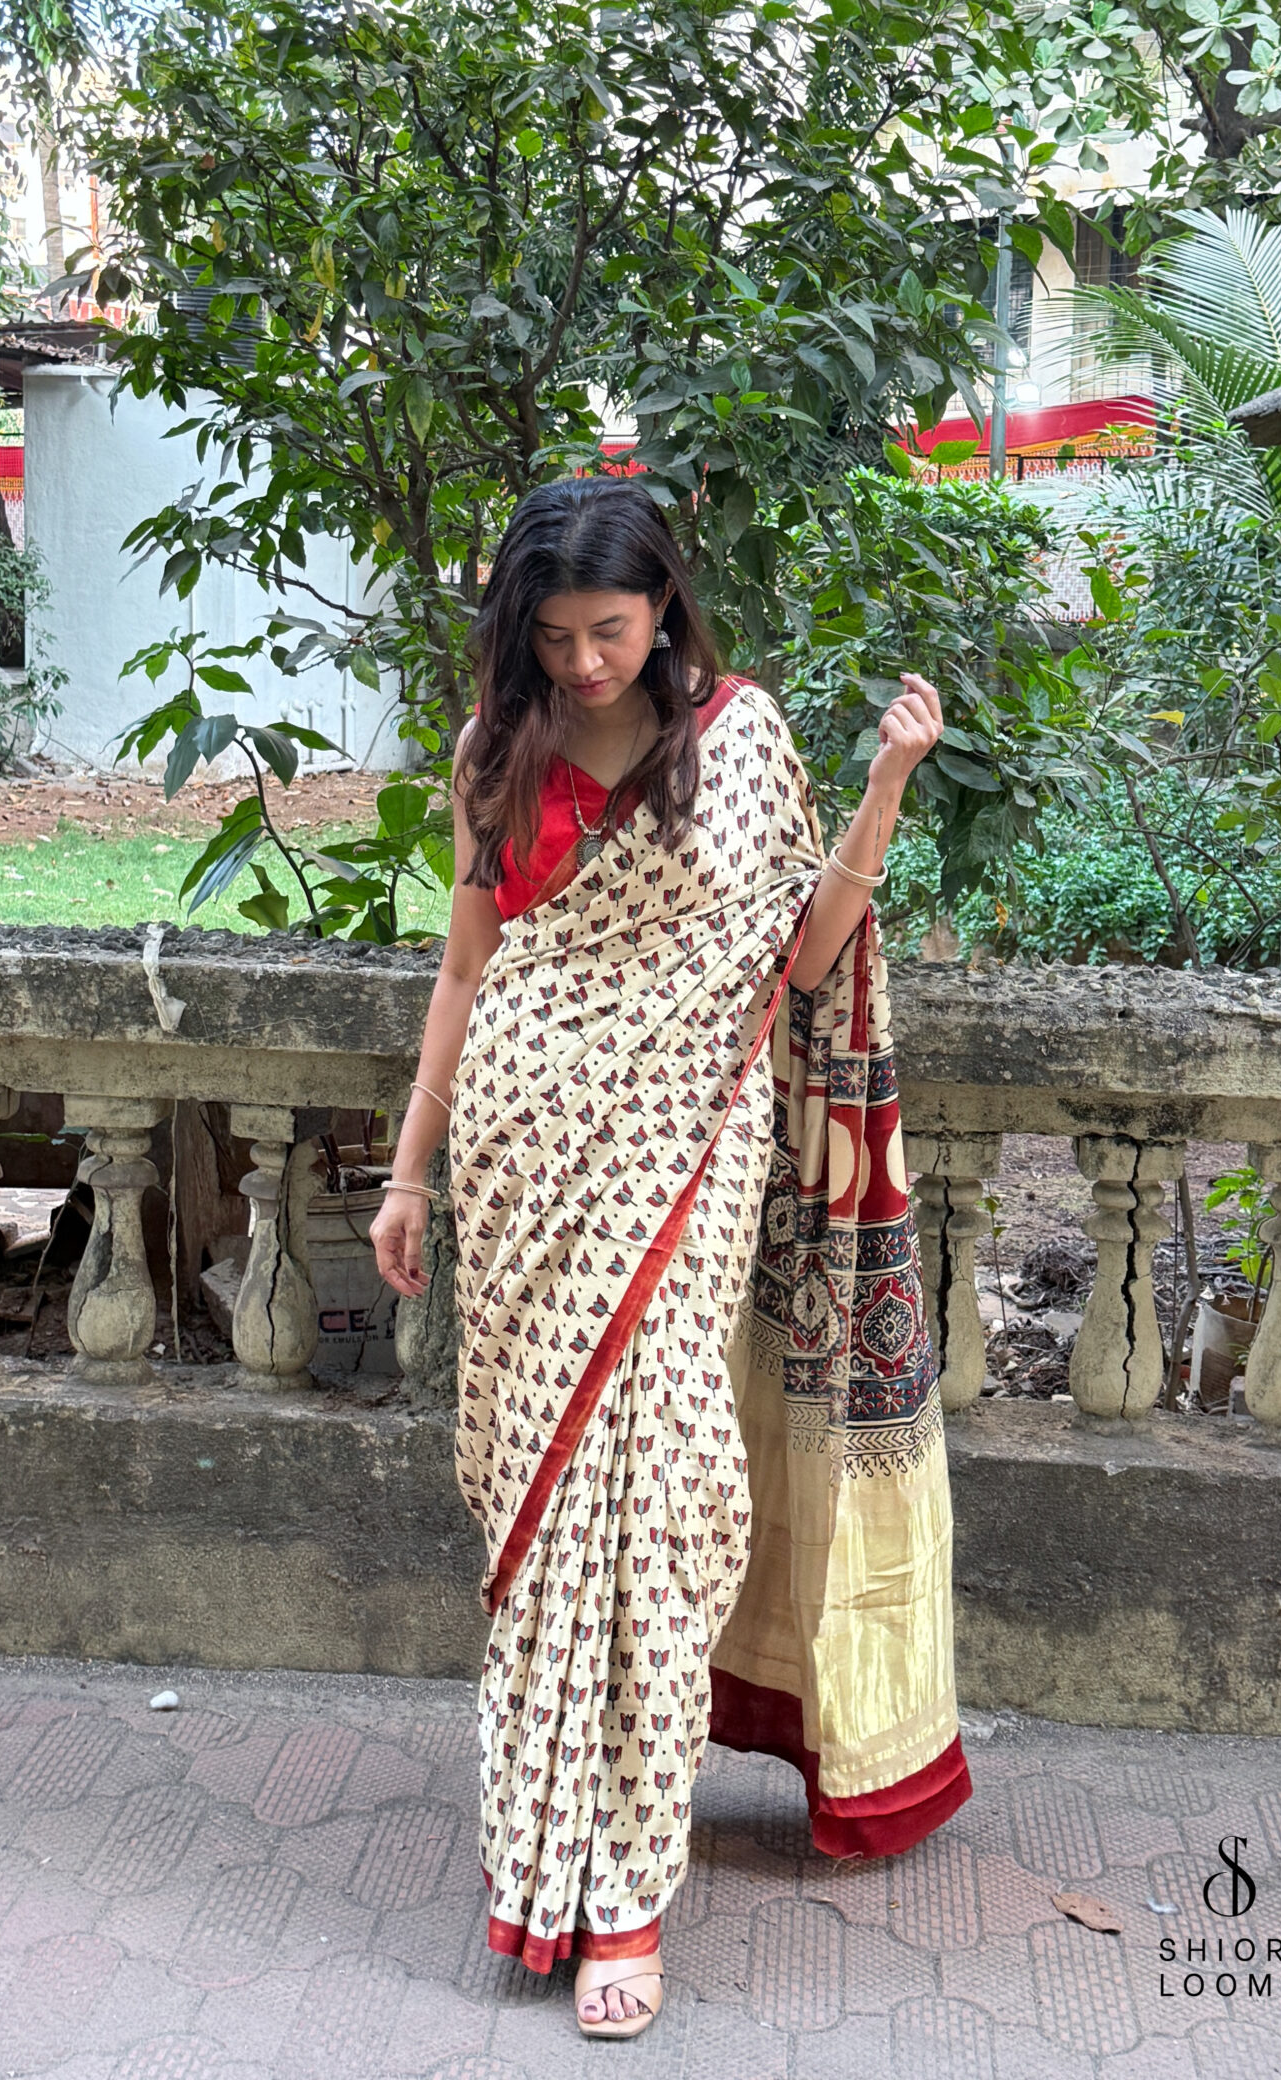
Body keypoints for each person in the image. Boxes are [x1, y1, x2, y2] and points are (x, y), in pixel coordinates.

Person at [372, 475, 971, 2041]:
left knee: (669, 1494)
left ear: (664, 613)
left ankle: (624, 1894)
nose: (584, 665)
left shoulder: (738, 744)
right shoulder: (495, 753)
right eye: (556, 636)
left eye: (611, 632)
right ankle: (539, 1859)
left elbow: (801, 951)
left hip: (684, 1156)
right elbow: (467, 963)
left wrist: (889, 781)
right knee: (547, 1506)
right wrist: (409, 1170)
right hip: (520, 1151)